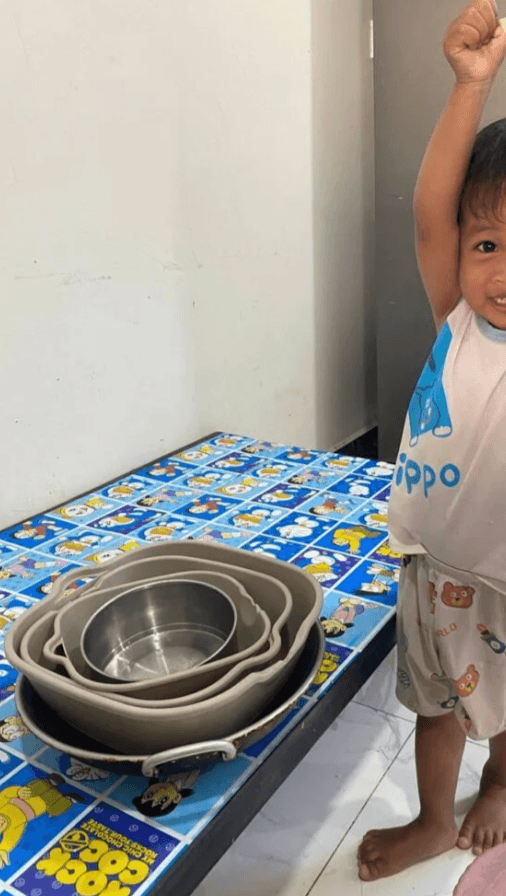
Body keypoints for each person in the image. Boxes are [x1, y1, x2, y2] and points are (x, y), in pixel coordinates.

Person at [357, 0, 506, 881]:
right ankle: (429, 819)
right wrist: (469, 87)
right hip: (437, 568)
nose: (503, 269)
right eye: (489, 242)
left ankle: (499, 789)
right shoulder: (457, 317)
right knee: (435, 708)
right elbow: (430, 210)